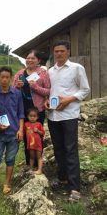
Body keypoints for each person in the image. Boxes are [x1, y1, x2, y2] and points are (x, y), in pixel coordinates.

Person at [44, 40, 90, 201]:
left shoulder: (77, 68)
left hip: (69, 115)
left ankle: (74, 188)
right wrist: (46, 101)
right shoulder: (50, 71)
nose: (58, 54)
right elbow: (48, 92)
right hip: (53, 116)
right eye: (56, 51)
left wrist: (69, 99)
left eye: (62, 51)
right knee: (58, 148)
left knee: (70, 150)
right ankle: (62, 177)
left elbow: (85, 90)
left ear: (68, 51)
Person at [13, 50, 50, 165]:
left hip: (37, 110)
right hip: (22, 110)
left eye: (33, 58)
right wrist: (17, 87)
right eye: (28, 58)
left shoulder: (43, 73)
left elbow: (49, 91)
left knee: (37, 136)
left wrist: (35, 86)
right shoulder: (19, 73)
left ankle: (38, 164)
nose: (29, 60)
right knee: (25, 137)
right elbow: (12, 91)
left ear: (38, 60)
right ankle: (29, 162)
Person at [0, 66, 24, 194]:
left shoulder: (17, 93)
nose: (4, 80)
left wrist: (20, 130)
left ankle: (6, 184)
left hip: (13, 133)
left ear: (11, 78)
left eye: (7, 77)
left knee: (10, 159)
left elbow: (21, 113)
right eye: (2, 77)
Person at [24, 107, 45, 175]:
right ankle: (31, 168)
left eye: (34, 116)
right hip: (30, 144)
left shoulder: (39, 124)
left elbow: (43, 133)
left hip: (38, 144)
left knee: (39, 157)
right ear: (27, 116)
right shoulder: (26, 124)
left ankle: (39, 170)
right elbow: (23, 133)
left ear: (37, 117)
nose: (32, 118)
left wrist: (38, 131)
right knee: (31, 157)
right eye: (30, 116)